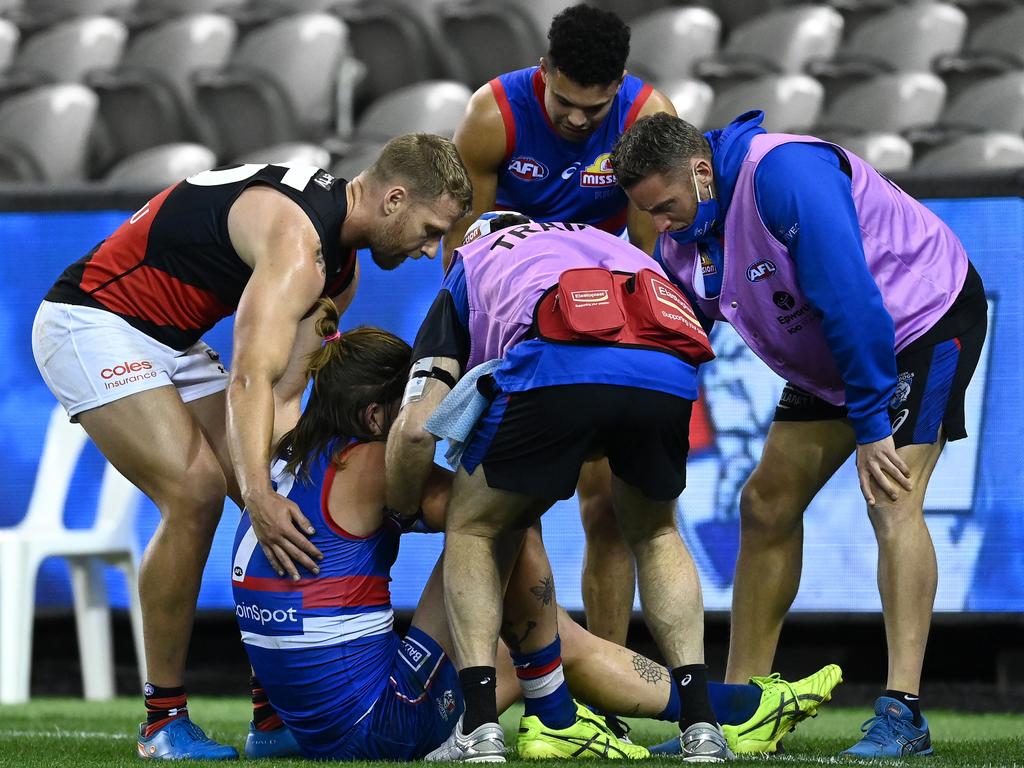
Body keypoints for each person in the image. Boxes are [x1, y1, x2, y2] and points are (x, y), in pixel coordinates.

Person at [231, 303, 843, 760]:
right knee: (500, 524)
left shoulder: (288, 457)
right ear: (373, 417)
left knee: (526, 631)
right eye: (416, 402)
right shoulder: (366, 464)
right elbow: (490, 509)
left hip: (319, 724)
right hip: (379, 726)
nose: (429, 415)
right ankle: (716, 709)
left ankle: (625, 710)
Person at [30, 134, 472, 760]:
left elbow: (286, 395)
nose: (432, 251)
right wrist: (260, 497)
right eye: (430, 230)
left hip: (169, 340)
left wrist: (276, 484)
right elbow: (249, 378)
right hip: (92, 321)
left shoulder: (338, 269)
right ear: (395, 198)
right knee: (199, 492)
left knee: (277, 483)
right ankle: (162, 721)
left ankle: (271, 717)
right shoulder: (300, 246)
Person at [611, 111, 988, 758]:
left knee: (892, 497)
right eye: (650, 214)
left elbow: (851, 300)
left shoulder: (783, 175)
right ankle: (743, 708)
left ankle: (904, 712)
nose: (662, 224)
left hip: (917, 323)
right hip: (829, 355)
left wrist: (872, 424)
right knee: (765, 505)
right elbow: (669, 333)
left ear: (702, 172)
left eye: (666, 207)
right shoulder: (682, 235)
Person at [385, 212, 733, 762]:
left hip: (561, 356)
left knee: (475, 527)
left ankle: (478, 727)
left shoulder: (469, 266)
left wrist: (402, 511)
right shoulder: (603, 242)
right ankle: (703, 727)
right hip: (669, 366)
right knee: (657, 533)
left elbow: (413, 433)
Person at [445, 1, 678, 652]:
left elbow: (648, 258)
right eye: (565, 103)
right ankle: (524, 676)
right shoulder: (492, 116)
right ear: (543, 70)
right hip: (515, 321)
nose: (577, 120)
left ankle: (607, 688)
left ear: (619, 87)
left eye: (593, 110)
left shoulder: (645, 119)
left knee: (607, 510)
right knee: (506, 514)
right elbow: (463, 251)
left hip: (604, 320)